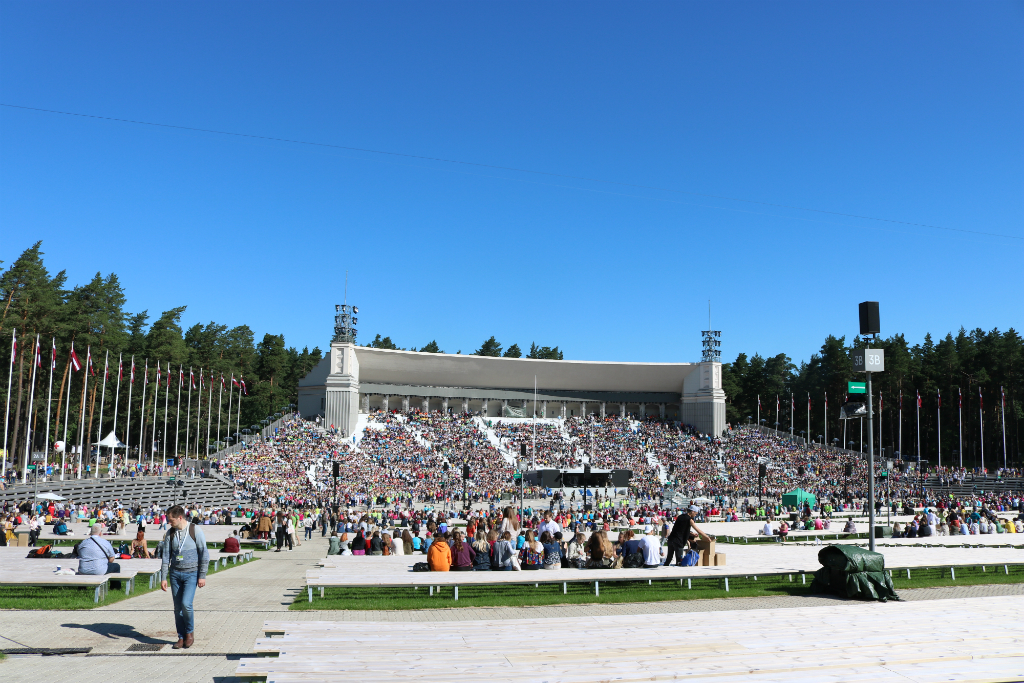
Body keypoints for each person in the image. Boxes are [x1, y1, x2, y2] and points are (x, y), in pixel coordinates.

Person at [159, 505, 209, 650]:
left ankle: (189, 633)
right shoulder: (170, 533)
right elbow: (166, 557)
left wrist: (202, 575)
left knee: (186, 604)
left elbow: (204, 554)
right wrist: (163, 577)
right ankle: (181, 636)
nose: (169, 522)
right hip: (175, 574)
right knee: (177, 608)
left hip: (191, 574)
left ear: (180, 518)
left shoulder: (195, 530)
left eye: (171, 520)